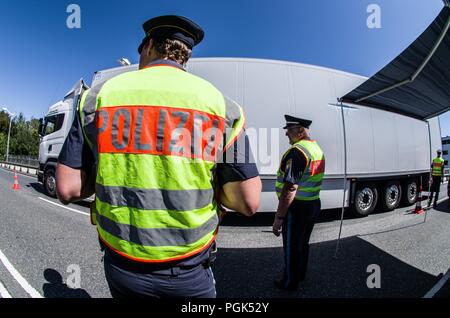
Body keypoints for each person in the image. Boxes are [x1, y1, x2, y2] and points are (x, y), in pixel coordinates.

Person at [55, 15, 261, 298]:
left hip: (123, 264)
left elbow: (67, 188)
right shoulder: (222, 106)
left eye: (139, 51)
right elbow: (249, 202)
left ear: (150, 46)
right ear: (184, 56)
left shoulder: (97, 98)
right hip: (190, 268)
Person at [272, 115, 325, 291]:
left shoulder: (297, 152)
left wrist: (279, 217)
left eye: (289, 129)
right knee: (303, 243)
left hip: (297, 207)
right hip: (313, 204)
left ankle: (289, 282)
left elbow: (290, 188)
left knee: (291, 246)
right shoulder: (315, 148)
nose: (286, 133)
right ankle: (300, 273)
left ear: (301, 130)